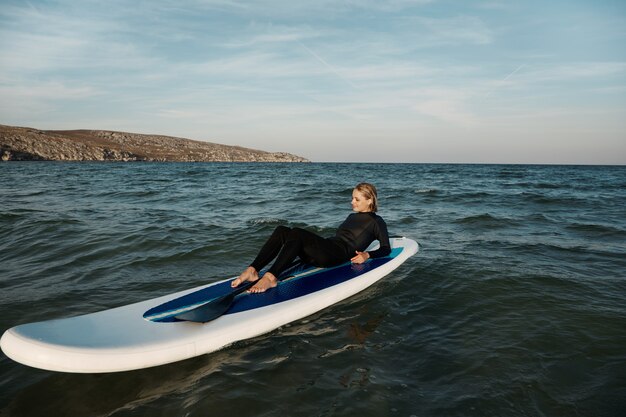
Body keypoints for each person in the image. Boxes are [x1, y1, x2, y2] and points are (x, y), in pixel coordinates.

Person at [232, 182, 391, 293]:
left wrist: (367, 254)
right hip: (328, 248)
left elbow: (386, 248)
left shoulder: (376, 222)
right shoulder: (352, 216)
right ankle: (253, 270)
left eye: (357, 199)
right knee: (282, 230)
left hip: (336, 256)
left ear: (369, 200)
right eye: (352, 198)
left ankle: (271, 277)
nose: (352, 202)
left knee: (298, 233)